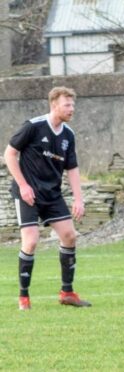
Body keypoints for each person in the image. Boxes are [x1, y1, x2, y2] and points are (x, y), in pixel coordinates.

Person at [3, 86, 90, 310]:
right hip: (28, 194)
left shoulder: (68, 135)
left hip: (52, 194)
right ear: (54, 105)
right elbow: (9, 154)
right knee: (31, 241)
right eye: (67, 105)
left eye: (73, 105)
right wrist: (23, 185)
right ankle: (24, 297)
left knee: (70, 236)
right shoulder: (33, 126)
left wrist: (79, 199)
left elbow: (72, 168)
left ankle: (67, 293)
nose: (71, 109)